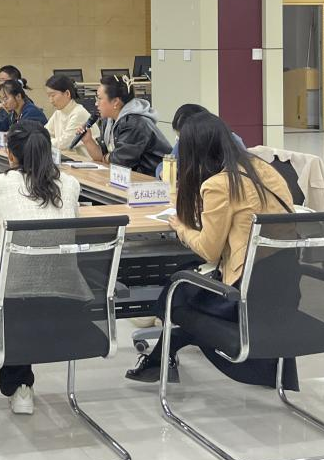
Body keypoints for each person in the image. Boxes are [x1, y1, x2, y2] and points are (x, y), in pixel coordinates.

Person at [125, 113, 296, 387]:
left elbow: (209, 251)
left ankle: (163, 355)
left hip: (243, 293)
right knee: (186, 284)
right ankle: (161, 357)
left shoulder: (218, 184)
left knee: (177, 290)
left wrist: (181, 227)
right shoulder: (262, 169)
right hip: (285, 284)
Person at [0, 121, 82, 414]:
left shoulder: (4, 184)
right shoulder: (70, 184)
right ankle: (21, 386)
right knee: (18, 273)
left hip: (11, 303)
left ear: (11, 155)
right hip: (63, 298)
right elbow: (70, 222)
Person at [78, 76, 171, 175]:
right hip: (133, 177)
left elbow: (120, 162)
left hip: (156, 178)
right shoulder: (109, 121)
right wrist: (88, 141)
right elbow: (101, 156)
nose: (96, 103)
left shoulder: (134, 123)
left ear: (115, 102)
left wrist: (107, 157)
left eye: (99, 98)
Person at [155, 103, 246, 178]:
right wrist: (162, 173)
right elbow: (163, 166)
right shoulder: (184, 141)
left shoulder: (231, 141)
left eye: (184, 137)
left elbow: (239, 174)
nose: (181, 141)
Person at [43, 75, 93, 161]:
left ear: (67, 94)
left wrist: (45, 141)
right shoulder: (58, 112)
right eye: (49, 96)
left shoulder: (78, 112)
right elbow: (44, 133)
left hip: (86, 162)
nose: (50, 100)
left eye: (53, 95)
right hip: (70, 159)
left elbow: (64, 143)